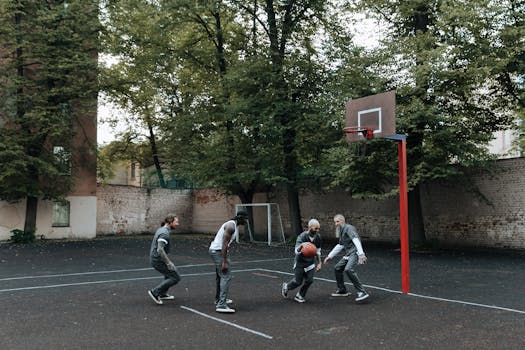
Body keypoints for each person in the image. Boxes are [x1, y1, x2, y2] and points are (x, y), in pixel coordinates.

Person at [209, 210, 249, 313]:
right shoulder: (231, 226)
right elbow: (224, 244)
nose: (247, 221)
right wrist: (224, 261)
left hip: (216, 250)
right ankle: (221, 305)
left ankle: (219, 299)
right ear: (240, 218)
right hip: (218, 251)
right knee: (225, 276)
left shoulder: (233, 225)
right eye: (245, 219)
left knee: (220, 276)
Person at [323, 214, 369, 302]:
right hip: (349, 253)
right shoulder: (341, 231)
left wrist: (361, 254)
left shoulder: (349, 228)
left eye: (337, 221)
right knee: (337, 268)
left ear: (342, 221)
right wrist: (329, 256)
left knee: (348, 269)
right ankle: (342, 290)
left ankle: (362, 292)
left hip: (355, 252)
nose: (336, 224)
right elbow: (340, 245)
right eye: (335, 222)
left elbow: (356, 240)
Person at [281, 219, 322, 303]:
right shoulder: (302, 236)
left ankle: (300, 295)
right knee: (298, 281)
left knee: (309, 280)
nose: (317, 230)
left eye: (318, 229)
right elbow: (296, 251)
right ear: (310, 227)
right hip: (300, 262)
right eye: (316, 228)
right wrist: (302, 246)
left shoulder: (318, 237)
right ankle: (286, 287)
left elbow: (318, 251)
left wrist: (319, 263)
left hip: (310, 263)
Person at [148, 214, 181, 305]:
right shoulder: (164, 233)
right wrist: (169, 263)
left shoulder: (162, 229)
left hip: (157, 258)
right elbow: (160, 249)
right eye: (176, 222)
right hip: (158, 260)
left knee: (169, 274)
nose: (177, 224)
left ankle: (162, 293)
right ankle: (155, 292)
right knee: (175, 277)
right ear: (170, 222)